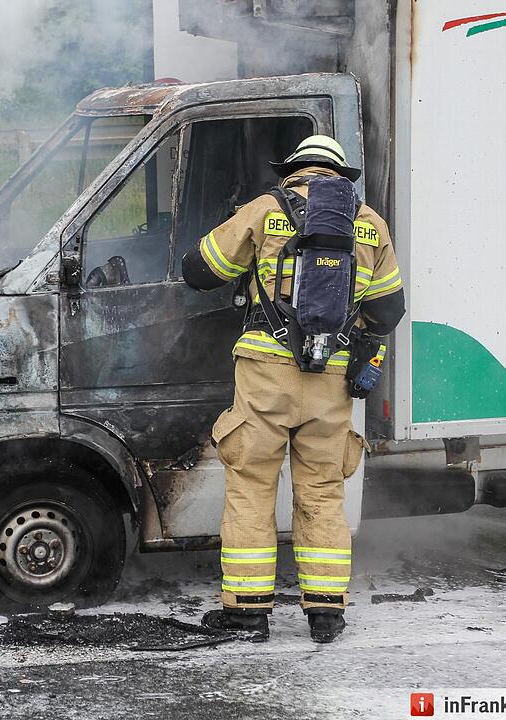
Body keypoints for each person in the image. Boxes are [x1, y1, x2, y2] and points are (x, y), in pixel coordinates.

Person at [181, 135, 406, 642]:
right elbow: (389, 310)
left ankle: (247, 613)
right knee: (324, 492)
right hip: (330, 378)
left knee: (252, 487)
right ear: (337, 175)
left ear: (295, 171)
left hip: (266, 373)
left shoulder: (266, 210)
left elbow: (200, 272)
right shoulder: (368, 225)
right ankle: (325, 612)